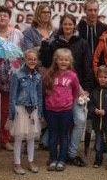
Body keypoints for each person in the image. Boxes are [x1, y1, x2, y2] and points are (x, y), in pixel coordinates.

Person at [39, 13, 93, 166]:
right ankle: (55, 153)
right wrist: (45, 46)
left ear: (74, 25)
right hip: (59, 92)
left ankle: (71, 153)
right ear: (61, 26)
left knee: (80, 120)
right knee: (60, 125)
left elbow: (87, 67)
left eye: (70, 24)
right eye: (65, 24)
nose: (68, 27)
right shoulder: (55, 42)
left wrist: (87, 88)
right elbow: (47, 62)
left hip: (77, 88)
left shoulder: (82, 42)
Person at [0, 5, 24, 151]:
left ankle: (5, 138)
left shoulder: (17, 34)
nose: (2, 17)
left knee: (7, 110)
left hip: (11, 76)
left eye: (5, 15)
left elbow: (22, 54)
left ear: (9, 18)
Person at [43, 48, 80, 172]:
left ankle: (62, 160)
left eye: (66, 60)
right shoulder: (49, 74)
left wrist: (68, 102)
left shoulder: (73, 76)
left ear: (70, 61)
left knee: (64, 135)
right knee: (53, 135)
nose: (63, 62)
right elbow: (45, 90)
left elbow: (75, 92)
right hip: (51, 110)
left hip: (66, 110)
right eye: (61, 59)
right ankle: (53, 159)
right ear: (56, 60)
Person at [9, 48, 43, 175]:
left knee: (31, 137)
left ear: (37, 61)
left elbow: (39, 95)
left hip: (33, 110)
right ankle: (17, 163)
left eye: (34, 59)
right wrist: (12, 112)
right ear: (25, 59)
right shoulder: (17, 75)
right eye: (29, 59)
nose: (32, 61)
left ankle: (30, 161)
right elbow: (12, 95)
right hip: (21, 109)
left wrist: (40, 112)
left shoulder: (38, 77)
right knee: (19, 137)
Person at [89, 66, 107, 169]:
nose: (102, 79)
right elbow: (91, 104)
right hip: (97, 123)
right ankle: (98, 160)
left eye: (105, 77)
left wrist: (106, 111)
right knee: (98, 144)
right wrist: (95, 110)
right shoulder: (95, 91)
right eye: (100, 77)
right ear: (97, 77)